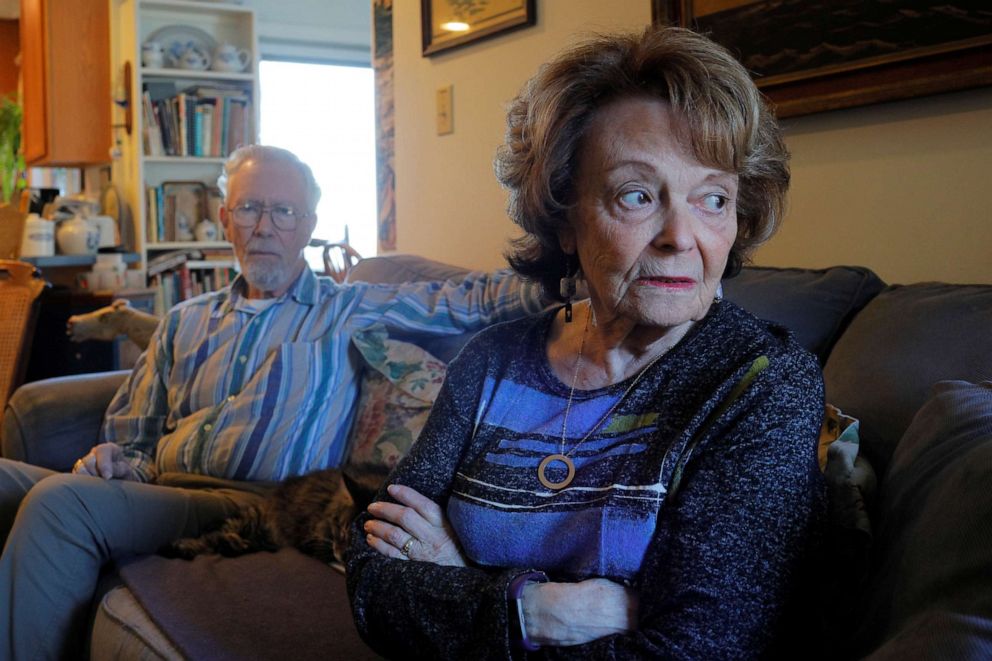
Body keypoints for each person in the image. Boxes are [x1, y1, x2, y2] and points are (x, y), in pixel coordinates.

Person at [347, 26, 826, 659]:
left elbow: (698, 648)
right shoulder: (492, 362)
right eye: (637, 194)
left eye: (713, 197)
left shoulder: (762, 383)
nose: (681, 236)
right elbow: (370, 577)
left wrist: (457, 577)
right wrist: (535, 612)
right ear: (563, 216)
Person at [0, 145, 549, 659]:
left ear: (308, 227)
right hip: (150, 490)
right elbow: (132, 438)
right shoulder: (182, 321)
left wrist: (569, 273)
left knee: (60, 505)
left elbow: (473, 302)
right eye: (250, 209)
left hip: (247, 502)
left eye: (284, 211)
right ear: (224, 220)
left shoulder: (347, 308)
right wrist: (115, 460)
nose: (265, 227)